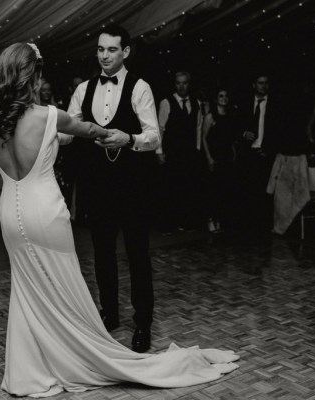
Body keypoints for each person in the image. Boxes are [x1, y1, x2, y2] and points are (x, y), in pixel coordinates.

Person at [0, 42, 239, 397]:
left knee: (27, 290)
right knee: (63, 289)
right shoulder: (48, 116)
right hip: (45, 211)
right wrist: (116, 135)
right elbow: (88, 129)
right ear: (33, 74)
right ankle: (77, 357)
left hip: (11, 212)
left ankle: (30, 371)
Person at [67, 24, 159, 353]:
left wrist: (130, 138)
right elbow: (67, 130)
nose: (104, 55)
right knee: (103, 254)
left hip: (133, 186)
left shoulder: (140, 88)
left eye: (111, 50)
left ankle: (143, 323)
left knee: (137, 255)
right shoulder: (83, 90)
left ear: (126, 52)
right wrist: (40, 125)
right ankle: (109, 315)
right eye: (100, 49)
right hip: (98, 186)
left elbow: (154, 136)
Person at [234, 73, 284, 239]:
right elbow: (234, 125)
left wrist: (269, 149)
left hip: (265, 154)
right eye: (260, 83)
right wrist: (242, 133)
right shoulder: (244, 103)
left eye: (266, 83)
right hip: (247, 154)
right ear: (254, 84)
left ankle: (262, 228)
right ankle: (246, 226)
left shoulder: (275, 105)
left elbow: (279, 130)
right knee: (246, 190)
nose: (264, 86)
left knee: (265, 193)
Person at [155, 71, 204, 233]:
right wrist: (159, 151)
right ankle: (167, 224)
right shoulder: (166, 102)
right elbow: (160, 129)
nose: (181, 86)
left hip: (189, 153)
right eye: (178, 83)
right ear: (174, 84)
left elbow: (198, 128)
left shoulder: (196, 103)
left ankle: (186, 222)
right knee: (170, 189)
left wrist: (197, 149)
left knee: (187, 188)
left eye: (184, 83)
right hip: (172, 152)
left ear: (189, 84)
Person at [202, 88, 236, 233]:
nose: (224, 98)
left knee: (224, 189)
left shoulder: (229, 115)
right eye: (221, 96)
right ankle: (210, 219)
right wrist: (208, 157)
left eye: (226, 96)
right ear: (216, 99)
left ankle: (219, 219)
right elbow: (203, 137)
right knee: (213, 190)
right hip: (214, 156)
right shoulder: (211, 116)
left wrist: (234, 151)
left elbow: (230, 137)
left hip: (226, 156)